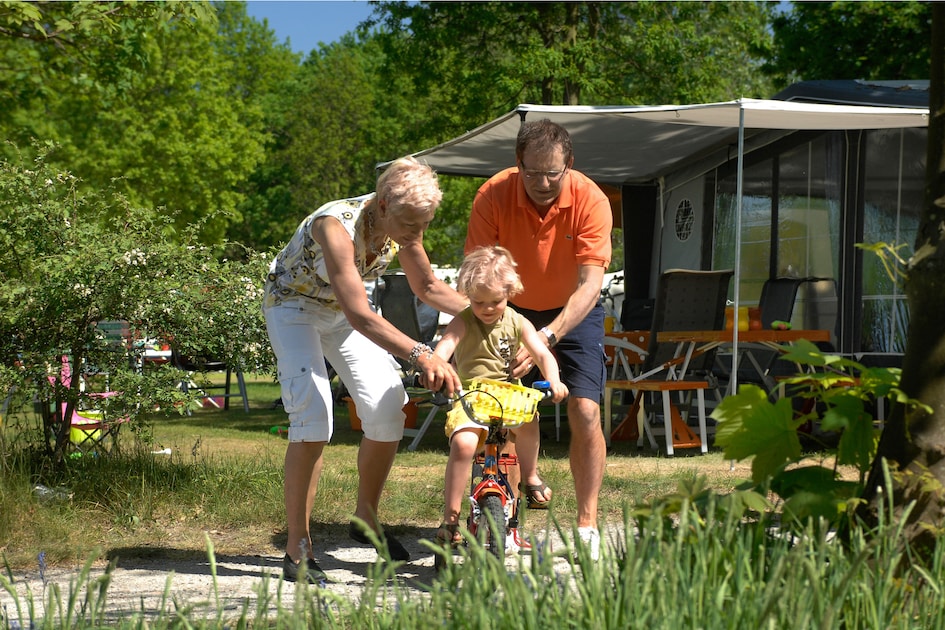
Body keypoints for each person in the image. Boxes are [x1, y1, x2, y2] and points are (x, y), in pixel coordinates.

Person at [263, 157, 468, 583]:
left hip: (338, 314)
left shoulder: (402, 226)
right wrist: (422, 353)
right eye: (411, 224)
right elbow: (361, 315)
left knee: (389, 406)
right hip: (293, 308)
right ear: (383, 205)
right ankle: (297, 549)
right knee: (313, 418)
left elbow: (427, 286)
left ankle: (366, 519)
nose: (417, 235)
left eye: (424, 225)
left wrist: (491, 311)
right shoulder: (334, 227)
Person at [465, 119, 612, 560]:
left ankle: (586, 525)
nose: (543, 183)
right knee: (503, 410)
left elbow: (590, 285)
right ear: (518, 164)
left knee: (585, 410)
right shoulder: (492, 195)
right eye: (532, 173)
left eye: (553, 173)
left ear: (570, 164)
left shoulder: (591, 198)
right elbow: (477, 271)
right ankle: (504, 525)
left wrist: (545, 339)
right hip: (509, 306)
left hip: (572, 311)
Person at [430, 246, 568, 552]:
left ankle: (530, 477)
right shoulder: (463, 320)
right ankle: (450, 520)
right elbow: (444, 349)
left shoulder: (517, 321)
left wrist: (555, 380)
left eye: (496, 301)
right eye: (479, 302)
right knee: (464, 444)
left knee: (529, 422)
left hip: (508, 392)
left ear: (510, 292)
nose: (488, 308)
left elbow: (541, 352)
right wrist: (437, 369)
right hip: (472, 393)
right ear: (467, 294)